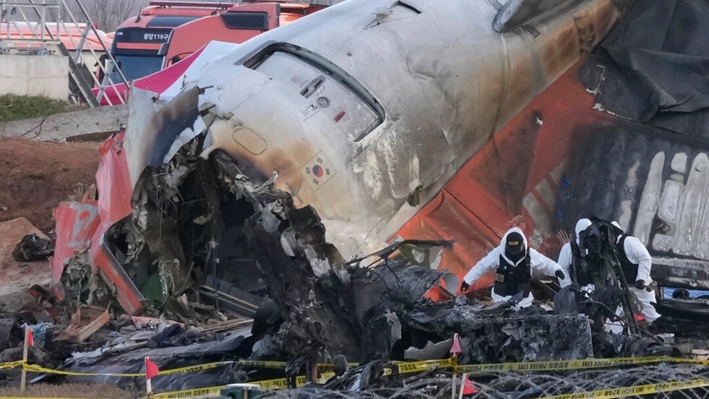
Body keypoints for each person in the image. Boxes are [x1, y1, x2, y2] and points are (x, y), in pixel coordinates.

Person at [460, 227, 566, 307]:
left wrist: (557, 270)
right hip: (500, 301)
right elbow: (482, 266)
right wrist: (467, 281)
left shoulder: (530, 254)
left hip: (524, 302)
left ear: (522, 245)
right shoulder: (498, 253)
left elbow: (546, 264)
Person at [611, 221, 661, 323]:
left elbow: (645, 258)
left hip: (640, 288)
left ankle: (666, 336)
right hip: (623, 287)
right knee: (615, 317)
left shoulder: (629, 242)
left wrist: (641, 279)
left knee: (652, 314)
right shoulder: (611, 247)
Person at [556, 218, 592, 289]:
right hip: (577, 292)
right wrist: (569, 287)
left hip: (597, 292)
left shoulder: (597, 247)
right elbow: (561, 268)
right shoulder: (568, 248)